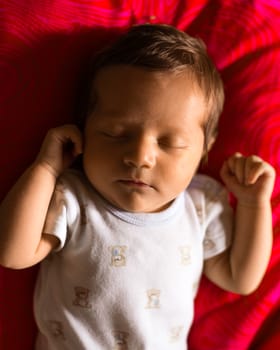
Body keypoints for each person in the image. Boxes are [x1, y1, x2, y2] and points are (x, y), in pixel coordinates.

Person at [0, 24, 275, 350]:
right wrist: (45, 168)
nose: (139, 157)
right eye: (116, 133)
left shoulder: (201, 206)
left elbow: (239, 278)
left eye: (170, 142)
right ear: (84, 129)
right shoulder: (73, 198)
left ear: (205, 149)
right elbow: (13, 254)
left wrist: (253, 205)